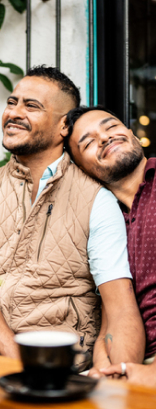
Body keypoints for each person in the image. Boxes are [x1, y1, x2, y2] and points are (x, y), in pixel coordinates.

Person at [0, 67, 145, 373]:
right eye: (11, 102)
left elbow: (119, 309)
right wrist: (23, 365)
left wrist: (117, 381)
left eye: (31, 106)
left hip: (59, 367)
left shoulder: (98, 201)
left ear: (63, 126)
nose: (13, 113)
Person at [65, 105, 156, 386]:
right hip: (138, 363)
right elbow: (113, 313)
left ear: (130, 133)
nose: (104, 138)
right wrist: (103, 372)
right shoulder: (102, 220)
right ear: (81, 169)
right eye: (89, 142)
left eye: (111, 127)